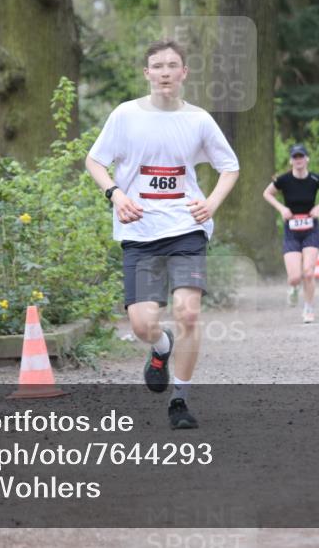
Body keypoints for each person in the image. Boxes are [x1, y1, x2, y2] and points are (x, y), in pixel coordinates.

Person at [85, 39, 239, 429]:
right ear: (147, 73)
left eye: (173, 65)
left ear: (184, 73)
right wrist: (115, 193)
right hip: (139, 231)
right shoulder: (125, 115)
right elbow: (95, 160)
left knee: (188, 311)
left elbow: (230, 167)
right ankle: (161, 347)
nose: (166, 72)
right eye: (158, 66)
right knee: (142, 323)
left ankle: (180, 401)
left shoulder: (199, 120)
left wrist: (212, 204)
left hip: (187, 228)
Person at [262, 144, 319, 323]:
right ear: (291, 160)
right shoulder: (284, 180)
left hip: (311, 228)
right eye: (295, 157)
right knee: (295, 277)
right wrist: (282, 209)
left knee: (309, 273)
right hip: (292, 230)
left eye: (301, 156)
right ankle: (294, 288)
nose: (298, 160)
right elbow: (267, 193)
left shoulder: (315, 179)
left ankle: (309, 309)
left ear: (307, 159)